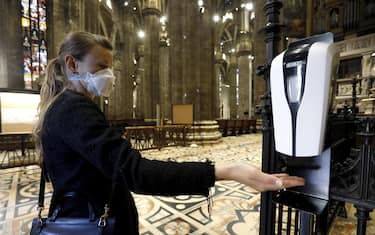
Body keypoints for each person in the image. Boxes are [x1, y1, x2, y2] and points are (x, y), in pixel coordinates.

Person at [33, 31, 304, 234]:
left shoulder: (63, 106)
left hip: (89, 218)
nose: (109, 75)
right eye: (101, 66)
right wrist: (226, 171)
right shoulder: (73, 109)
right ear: (72, 64)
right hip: (92, 225)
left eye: (110, 66)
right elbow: (135, 171)